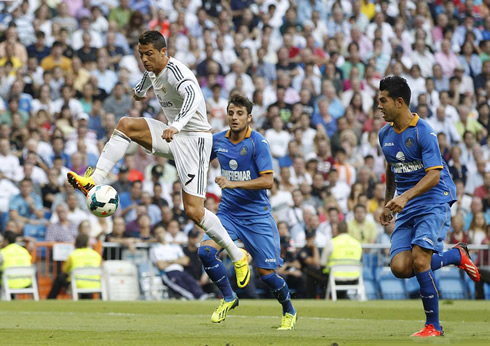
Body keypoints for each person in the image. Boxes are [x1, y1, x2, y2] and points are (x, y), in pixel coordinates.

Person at [65, 30, 250, 287]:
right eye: (141, 55)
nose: (144, 59)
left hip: (194, 140)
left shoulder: (179, 73)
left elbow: (193, 97)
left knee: (194, 212)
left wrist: (177, 124)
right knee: (126, 125)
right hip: (173, 134)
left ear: (164, 52)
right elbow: (145, 82)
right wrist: (139, 91)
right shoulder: (153, 69)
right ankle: (93, 180)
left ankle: (238, 255)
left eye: (149, 54)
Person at [378, 76, 480, 338]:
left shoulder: (424, 131)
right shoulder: (384, 134)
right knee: (400, 267)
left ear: (399, 102)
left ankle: (434, 325)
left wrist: (404, 197)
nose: (379, 106)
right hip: (408, 202)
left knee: (421, 260)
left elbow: (434, 174)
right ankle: (456, 256)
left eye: (383, 100)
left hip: (434, 198)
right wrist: (388, 201)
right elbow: (391, 167)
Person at [198, 94, 297, 330]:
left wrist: (233, 184)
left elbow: (268, 181)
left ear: (249, 117)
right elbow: (199, 161)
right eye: (231, 112)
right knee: (205, 252)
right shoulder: (218, 140)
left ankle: (289, 310)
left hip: (257, 216)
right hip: (228, 214)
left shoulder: (258, 143)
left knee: (267, 274)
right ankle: (229, 297)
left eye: (240, 113)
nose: (234, 117)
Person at [47, 233, 102, 299]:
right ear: (88, 243)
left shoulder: (73, 255)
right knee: (86, 283)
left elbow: (65, 270)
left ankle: (51, 298)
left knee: (59, 278)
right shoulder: (96, 255)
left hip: (77, 284)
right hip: (95, 284)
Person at [320, 221, 362, 299]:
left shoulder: (332, 242)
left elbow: (322, 263)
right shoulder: (357, 243)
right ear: (348, 230)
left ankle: (315, 297)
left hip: (335, 276)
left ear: (337, 230)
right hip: (354, 276)